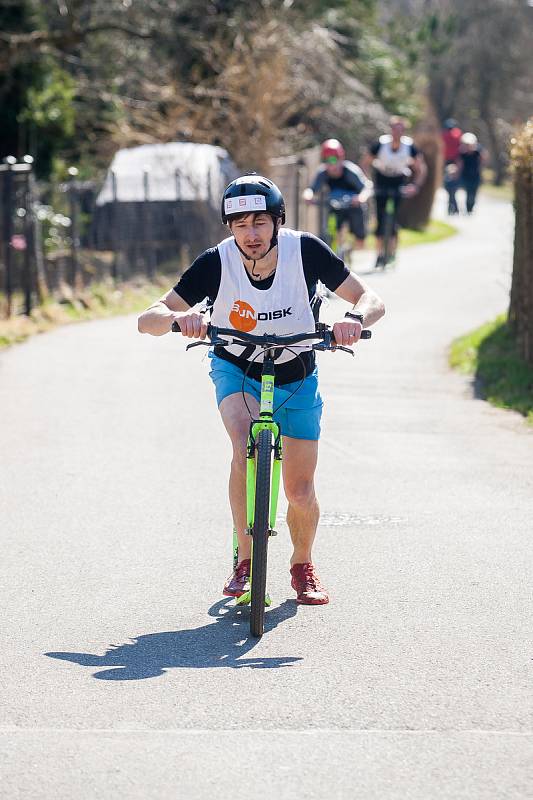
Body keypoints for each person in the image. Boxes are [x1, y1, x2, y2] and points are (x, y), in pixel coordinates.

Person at [138, 174, 385, 605]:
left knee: (299, 490)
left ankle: (302, 565)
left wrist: (355, 319)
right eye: (240, 225)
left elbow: (371, 299)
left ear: (277, 222)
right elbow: (149, 317)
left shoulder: (305, 250)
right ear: (229, 227)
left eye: (259, 223)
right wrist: (178, 320)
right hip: (237, 366)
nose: (250, 235)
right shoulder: (216, 262)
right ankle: (246, 560)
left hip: (296, 371)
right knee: (241, 443)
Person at [361, 116, 427, 268]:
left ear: (404, 131)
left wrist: (415, 186)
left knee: (394, 220)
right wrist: (368, 182)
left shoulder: (410, 146)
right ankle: (378, 254)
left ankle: (391, 252)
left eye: (400, 129)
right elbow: (365, 163)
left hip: (399, 180)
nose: (397, 132)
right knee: (380, 219)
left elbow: (420, 168)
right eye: (394, 129)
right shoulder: (380, 144)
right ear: (390, 129)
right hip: (381, 180)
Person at [302, 138, 372, 254]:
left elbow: (366, 187)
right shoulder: (323, 173)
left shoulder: (350, 171)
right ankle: (336, 253)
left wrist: (361, 198)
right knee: (330, 230)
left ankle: (349, 250)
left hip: (353, 205)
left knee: (360, 240)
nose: (332, 164)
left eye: (335, 159)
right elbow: (311, 189)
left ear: (341, 158)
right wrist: (307, 195)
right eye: (328, 160)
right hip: (335, 205)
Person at [457, 132, 486, 214]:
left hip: (475, 175)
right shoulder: (462, 153)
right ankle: (468, 208)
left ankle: (471, 206)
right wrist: (458, 173)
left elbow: (483, 160)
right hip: (466, 175)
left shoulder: (477, 152)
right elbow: (460, 164)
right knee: (468, 192)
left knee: (473, 193)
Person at [441, 118, 462, 215]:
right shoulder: (458, 134)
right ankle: (454, 206)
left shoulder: (444, 135)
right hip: (455, 161)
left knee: (449, 184)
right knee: (452, 184)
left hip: (448, 161)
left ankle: (452, 206)